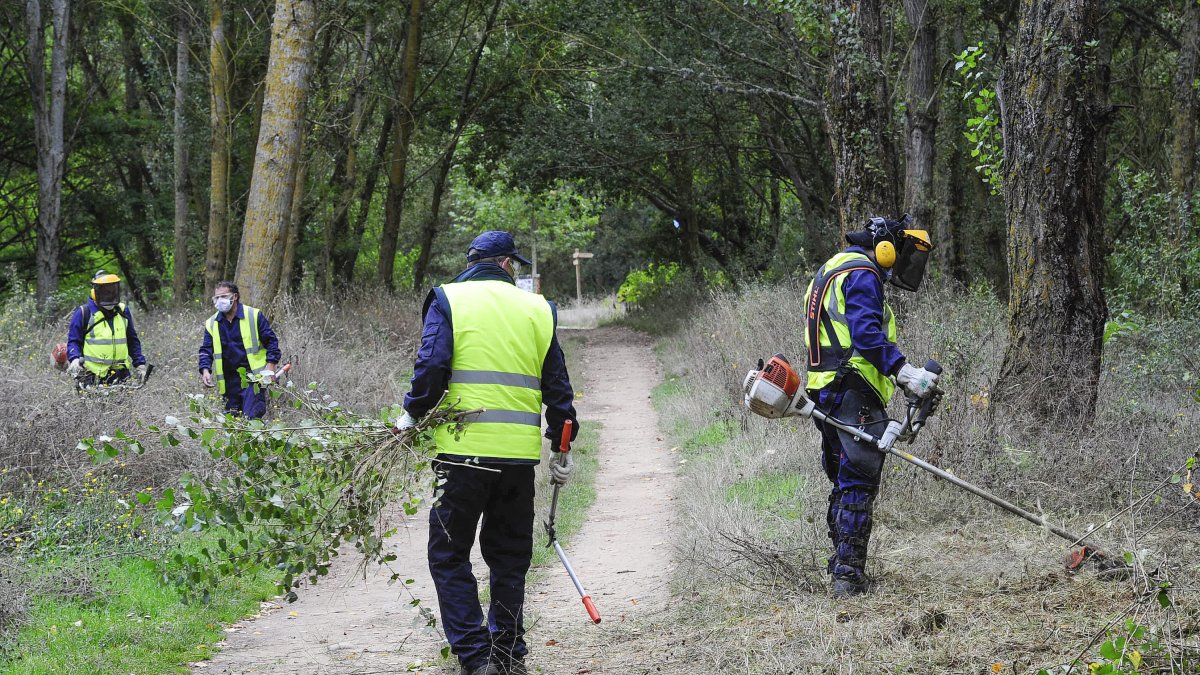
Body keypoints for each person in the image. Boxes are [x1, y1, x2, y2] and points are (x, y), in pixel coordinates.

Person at [396, 231, 578, 675]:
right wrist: (563, 442)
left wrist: (412, 413)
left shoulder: (448, 299)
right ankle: (509, 655)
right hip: (517, 459)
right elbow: (557, 385)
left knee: (448, 555)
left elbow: (432, 365)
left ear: (472, 262)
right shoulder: (537, 308)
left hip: (460, 457)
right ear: (507, 264)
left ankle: (477, 659)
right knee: (509, 558)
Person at [803, 214, 940, 599]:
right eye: (899, 252)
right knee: (859, 478)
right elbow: (865, 334)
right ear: (884, 246)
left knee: (844, 478)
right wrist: (904, 372)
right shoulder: (863, 272)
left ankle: (840, 566)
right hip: (853, 387)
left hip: (825, 387)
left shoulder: (831, 268)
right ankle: (848, 578)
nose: (899, 263)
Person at [197, 281, 281, 419]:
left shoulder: (253, 315)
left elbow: (271, 342)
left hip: (253, 379)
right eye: (217, 298)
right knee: (232, 424)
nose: (220, 301)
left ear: (235, 296)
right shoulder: (211, 323)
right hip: (229, 383)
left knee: (251, 420)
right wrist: (205, 370)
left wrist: (271, 366)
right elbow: (206, 350)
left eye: (223, 296)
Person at [66, 270, 148, 388]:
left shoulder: (123, 311)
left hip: (122, 376)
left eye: (111, 291)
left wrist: (140, 364)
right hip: (92, 377)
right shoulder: (84, 313)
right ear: (95, 291)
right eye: (104, 291)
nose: (109, 295)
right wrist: (74, 360)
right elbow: (74, 341)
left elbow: (132, 340)